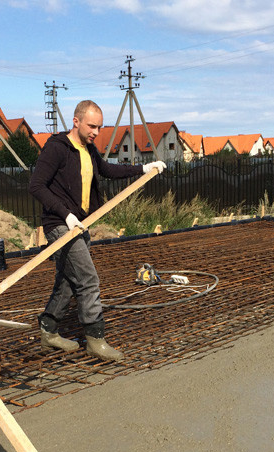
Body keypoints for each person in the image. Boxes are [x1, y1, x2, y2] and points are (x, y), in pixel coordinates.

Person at [29, 100, 165, 361]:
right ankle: (95, 340)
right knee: (89, 280)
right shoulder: (57, 149)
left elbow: (108, 170)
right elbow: (36, 186)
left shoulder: (88, 150)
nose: (95, 132)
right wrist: (65, 214)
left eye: (99, 127)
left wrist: (143, 168)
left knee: (69, 281)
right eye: (92, 126)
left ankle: (48, 330)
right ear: (76, 121)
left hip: (80, 225)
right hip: (60, 226)